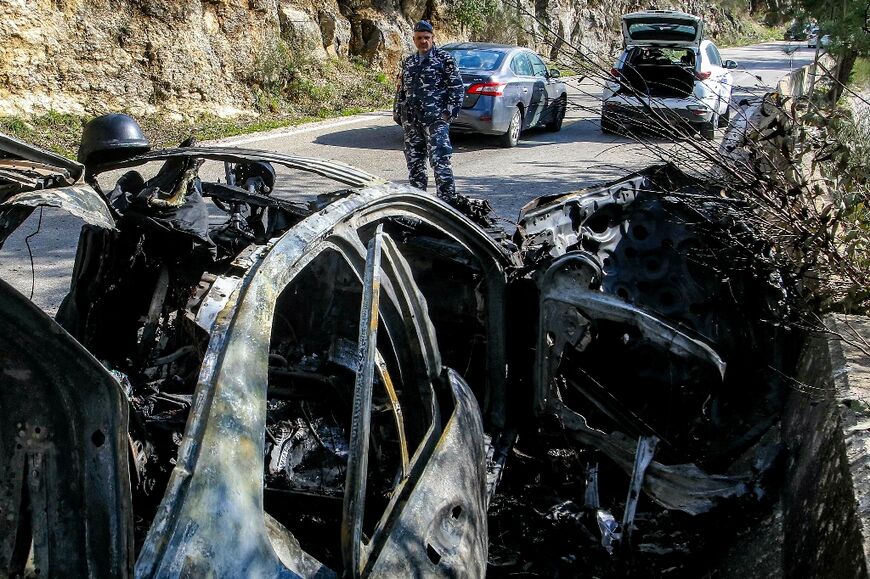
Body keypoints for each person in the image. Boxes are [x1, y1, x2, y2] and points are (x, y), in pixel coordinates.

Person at [398, 20, 464, 203]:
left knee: (440, 162)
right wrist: (400, 114)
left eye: (426, 37)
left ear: (433, 38)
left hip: (435, 121)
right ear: (414, 39)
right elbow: (402, 90)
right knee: (415, 164)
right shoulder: (409, 62)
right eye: (419, 38)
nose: (423, 41)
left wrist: (447, 114)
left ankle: (447, 202)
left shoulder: (444, 59)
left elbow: (457, 88)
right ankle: (419, 202)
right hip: (412, 122)